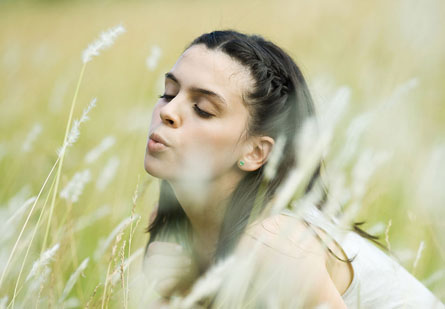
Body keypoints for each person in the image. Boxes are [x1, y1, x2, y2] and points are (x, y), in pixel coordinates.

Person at [142, 30, 444, 308]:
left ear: (256, 152)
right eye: (169, 93)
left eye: (203, 109)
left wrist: (196, 288)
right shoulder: (174, 223)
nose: (167, 111)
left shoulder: (274, 245)